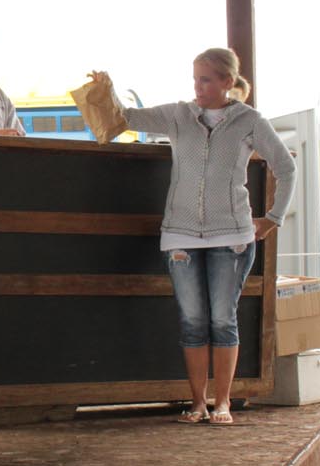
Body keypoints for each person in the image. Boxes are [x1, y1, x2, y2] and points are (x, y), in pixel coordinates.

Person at [92, 49, 295, 426]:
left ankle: (223, 403)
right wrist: (107, 90)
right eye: (195, 79)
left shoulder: (250, 121)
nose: (197, 87)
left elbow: (286, 167)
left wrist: (272, 218)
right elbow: (126, 117)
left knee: (223, 320)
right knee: (193, 320)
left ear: (227, 83)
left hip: (232, 237)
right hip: (180, 236)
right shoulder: (178, 115)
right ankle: (198, 403)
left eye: (205, 80)